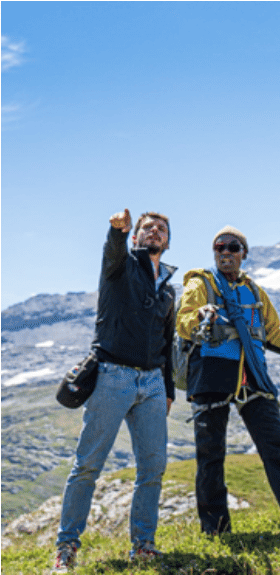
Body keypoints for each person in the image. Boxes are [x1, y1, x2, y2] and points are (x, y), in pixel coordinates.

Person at [177, 226, 280, 535]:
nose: (225, 252)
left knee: (277, 449)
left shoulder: (256, 293)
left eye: (233, 247)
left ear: (244, 253)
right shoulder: (200, 283)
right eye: (219, 247)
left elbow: (273, 335)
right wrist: (199, 317)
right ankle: (216, 530)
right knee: (210, 456)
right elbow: (183, 321)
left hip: (254, 377)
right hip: (211, 375)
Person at [54, 209, 177, 572]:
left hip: (152, 383)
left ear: (167, 241)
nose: (155, 231)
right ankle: (66, 547)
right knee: (88, 464)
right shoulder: (119, 266)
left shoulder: (169, 289)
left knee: (153, 468)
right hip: (112, 376)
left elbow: (167, 342)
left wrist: (168, 389)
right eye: (147, 227)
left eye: (161, 229)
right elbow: (113, 249)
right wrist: (117, 232)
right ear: (136, 237)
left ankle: (143, 546)